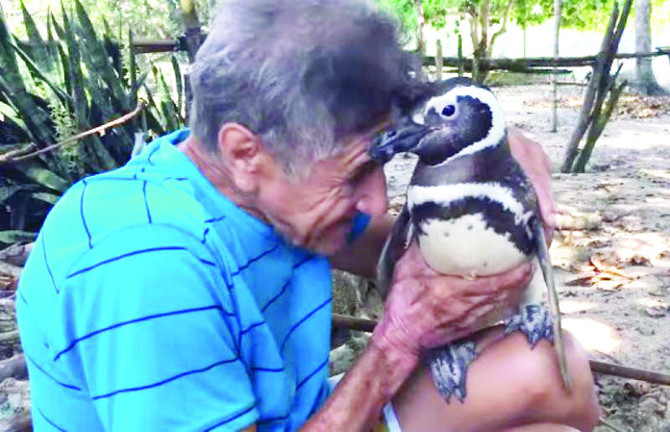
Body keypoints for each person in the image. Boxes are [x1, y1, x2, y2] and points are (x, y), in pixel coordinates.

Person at [16, 0, 600, 431]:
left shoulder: (253, 180)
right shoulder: (147, 266)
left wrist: (492, 148)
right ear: (246, 152)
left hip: (301, 414)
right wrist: (395, 344)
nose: (375, 203)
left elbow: (415, 257)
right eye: (356, 173)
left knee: (552, 364)